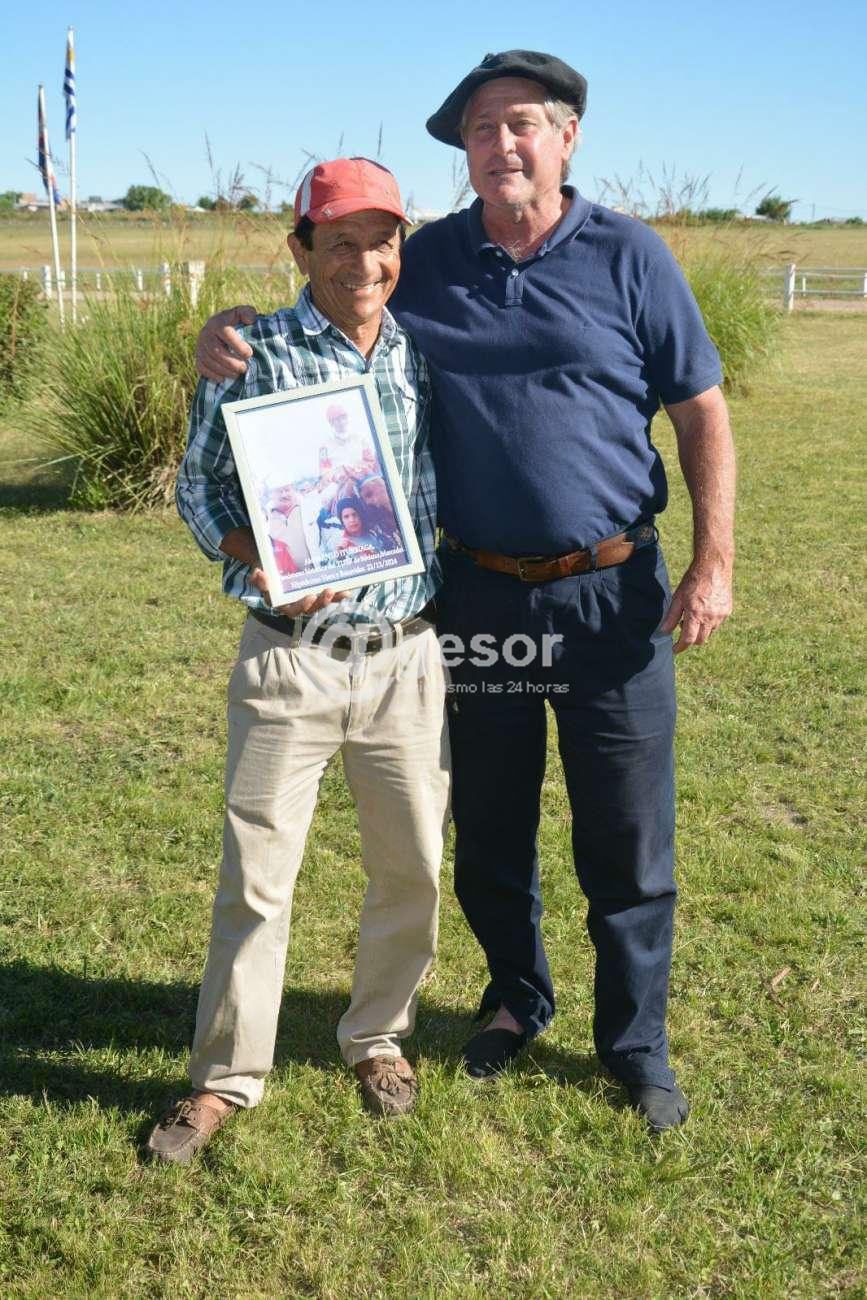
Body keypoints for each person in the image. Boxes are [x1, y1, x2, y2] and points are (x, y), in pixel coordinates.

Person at [195, 51, 735, 1133]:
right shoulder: (427, 257)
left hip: (611, 597)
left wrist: (713, 559)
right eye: (481, 130)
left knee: (627, 837)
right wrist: (229, 328)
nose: (501, 145)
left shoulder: (630, 254)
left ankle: (635, 1045)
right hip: (479, 599)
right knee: (487, 825)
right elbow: (331, 290)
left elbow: (701, 409)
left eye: (522, 123)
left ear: (567, 136)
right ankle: (515, 999)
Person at [146, 157, 449, 1165]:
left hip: (406, 655)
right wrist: (268, 561)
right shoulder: (253, 351)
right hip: (291, 659)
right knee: (257, 879)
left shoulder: (423, 349)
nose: (364, 263)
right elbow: (199, 493)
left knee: (412, 866)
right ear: (300, 249)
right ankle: (225, 1077)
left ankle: (378, 1038)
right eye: (340, 242)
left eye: (382, 241)